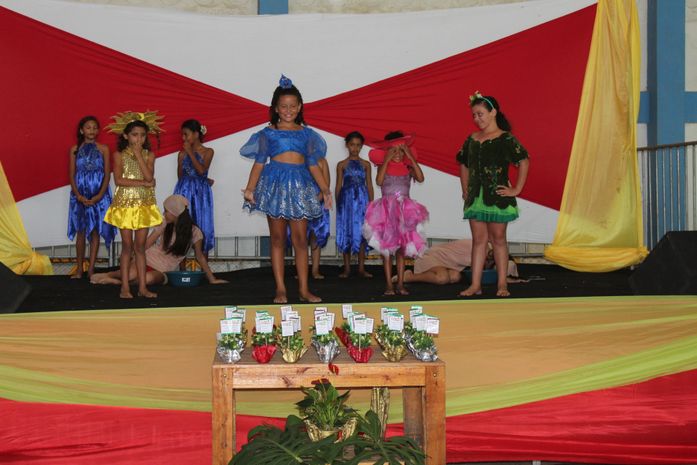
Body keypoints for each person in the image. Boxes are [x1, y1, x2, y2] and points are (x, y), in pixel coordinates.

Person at [241, 75, 332, 304]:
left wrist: (325, 189)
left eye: (292, 106)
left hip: (300, 187)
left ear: (299, 107)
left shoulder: (307, 134)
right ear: (275, 108)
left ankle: (304, 289)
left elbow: (313, 164)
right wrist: (250, 189)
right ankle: (280, 288)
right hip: (275, 187)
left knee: (301, 240)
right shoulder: (267, 133)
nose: (288, 110)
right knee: (277, 239)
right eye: (283, 106)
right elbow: (259, 163)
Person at [457, 91, 530, 297]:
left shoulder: (505, 139)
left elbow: (524, 160)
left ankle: (502, 284)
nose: (476, 118)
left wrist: (516, 189)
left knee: (498, 239)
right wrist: (465, 188)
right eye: (474, 115)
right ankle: (475, 285)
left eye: (480, 114)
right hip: (476, 198)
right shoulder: (472, 139)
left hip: (497, 197)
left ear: (493, 112)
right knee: (478, 240)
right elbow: (463, 163)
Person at [91, 195, 227, 286]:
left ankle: (116, 282)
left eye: (166, 211)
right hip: (147, 259)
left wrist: (212, 279)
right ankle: (110, 274)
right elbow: (148, 243)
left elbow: (200, 257)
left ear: (175, 213)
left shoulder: (195, 232)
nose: (163, 214)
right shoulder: (164, 224)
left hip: (164, 270)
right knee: (131, 274)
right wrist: (134, 255)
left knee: (147, 279)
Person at [104, 113, 163, 299]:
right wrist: (144, 184)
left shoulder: (149, 155)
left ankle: (143, 288)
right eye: (135, 135)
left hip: (144, 205)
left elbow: (149, 176)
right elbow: (119, 180)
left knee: (140, 248)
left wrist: (138, 155)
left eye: (143, 135)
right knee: (127, 247)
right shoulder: (118, 155)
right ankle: (125, 288)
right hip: (125, 205)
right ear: (125, 136)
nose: (139, 139)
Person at [363, 131, 428, 296]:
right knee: (387, 251)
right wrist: (387, 159)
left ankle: (400, 284)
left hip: (404, 213)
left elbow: (421, 178)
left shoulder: (407, 167)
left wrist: (410, 157)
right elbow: (379, 181)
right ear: (387, 151)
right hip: (387, 213)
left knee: (401, 250)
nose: (397, 154)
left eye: (401, 150)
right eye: (393, 150)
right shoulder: (383, 166)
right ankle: (388, 285)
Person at [67, 116, 116, 279]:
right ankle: (79, 270)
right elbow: (72, 175)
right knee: (80, 231)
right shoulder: (75, 149)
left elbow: (107, 174)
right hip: (80, 196)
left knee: (95, 231)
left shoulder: (104, 149)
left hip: (98, 196)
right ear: (82, 130)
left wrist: (100, 195)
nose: (92, 130)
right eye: (88, 127)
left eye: (95, 128)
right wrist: (78, 195)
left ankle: (91, 269)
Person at [173, 119, 215, 257]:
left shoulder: (208, 151)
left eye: (186, 134)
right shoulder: (181, 154)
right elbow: (180, 176)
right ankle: (181, 266)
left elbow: (202, 171)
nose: (183, 138)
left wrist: (190, 153)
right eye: (182, 135)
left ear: (196, 134)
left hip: (201, 194)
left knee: (202, 225)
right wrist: (183, 158)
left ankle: (204, 264)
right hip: (184, 191)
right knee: (182, 227)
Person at [335, 131, 373, 279]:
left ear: (361, 146)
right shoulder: (341, 165)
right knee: (347, 232)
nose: (355, 148)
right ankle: (347, 268)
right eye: (352, 145)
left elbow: (369, 185)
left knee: (362, 233)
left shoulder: (366, 165)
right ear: (347, 145)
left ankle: (361, 268)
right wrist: (338, 204)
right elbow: (338, 185)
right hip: (347, 203)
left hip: (362, 202)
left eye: (358, 145)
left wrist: (371, 204)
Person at [401, 239, 521, 285]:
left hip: (446, 264)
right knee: (442, 278)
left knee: (455, 277)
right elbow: (479, 274)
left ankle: (424, 275)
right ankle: (408, 277)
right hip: (431, 256)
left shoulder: (487, 250)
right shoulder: (481, 248)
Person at [307, 156, 331, 279]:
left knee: (315, 236)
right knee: (299, 237)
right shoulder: (299, 158)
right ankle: (301, 270)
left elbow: (326, 184)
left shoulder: (321, 161)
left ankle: (315, 270)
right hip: (301, 202)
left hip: (318, 202)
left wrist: (318, 199)